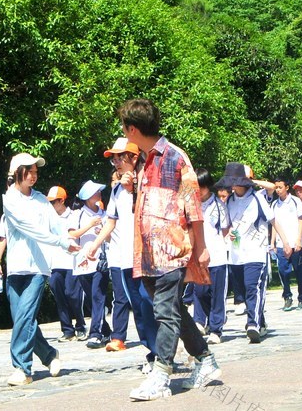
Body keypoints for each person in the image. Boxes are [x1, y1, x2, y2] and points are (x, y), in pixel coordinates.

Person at [120, 99, 220, 401]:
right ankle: (205, 359)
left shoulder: (176, 158)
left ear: (133, 128)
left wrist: (200, 248)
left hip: (173, 250)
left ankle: (161, 375)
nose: (123, 132)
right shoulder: (143, 160)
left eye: (124, 128)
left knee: (164, 311)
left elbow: (193, 206)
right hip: (147, 253)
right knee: (171, 311)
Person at [1, 152, 77, 385]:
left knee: (24, 317)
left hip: (38, 268)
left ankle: (22, 369)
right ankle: (48, 354)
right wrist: (62, 242)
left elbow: (56, 226)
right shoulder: (9, 200)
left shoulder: (42, 200)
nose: (34, 176)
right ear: (17, 173)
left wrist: (70, 244)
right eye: (29, 171)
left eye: (36, 172)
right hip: (16, 268)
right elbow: (29, 228)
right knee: (23, 321)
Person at [82, 139, 158, 366]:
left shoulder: (148, 182)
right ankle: (152, 353)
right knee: (139, 309)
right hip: (124, 259)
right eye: (113, 158)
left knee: (150, 304)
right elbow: (111, 222)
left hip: (146, 258)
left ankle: (164, 351)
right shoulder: (115, 191)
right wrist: (94, 245)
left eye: (119, 157)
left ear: (134, 158)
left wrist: (133, 186)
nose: (115, 162)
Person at [219, 162, 275, 342]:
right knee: (242, 292)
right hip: (236, 255)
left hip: (256, 253)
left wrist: (286, 243)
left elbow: (273, 221)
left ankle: (253, 324)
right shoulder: (229, 202)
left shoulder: (257, 198)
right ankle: (261, 322)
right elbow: (226, 226)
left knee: (253, 288)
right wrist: (227, 238)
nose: (232, 185)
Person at [68, 179, 111, 347]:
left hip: (100, 260)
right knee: (91, 300)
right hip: (82, 261)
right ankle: (106, 331)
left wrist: (103, 233)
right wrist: (90, 225)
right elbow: (72, 234)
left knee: (97, 296)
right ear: (87, 197)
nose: (99, 193)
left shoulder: (105, 214)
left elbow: (110, 236)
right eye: (95, 192)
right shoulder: (77, 214)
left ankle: (95, 334)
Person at [45, 187, 86, 341]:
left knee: (73, 294)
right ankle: (67, 329)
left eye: (53, 202)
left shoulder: (74, 215)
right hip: (55, 262)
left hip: (71, 261)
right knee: (59, 295)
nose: (50, 205)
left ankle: (81, 325)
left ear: (62, 200)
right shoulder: (48, 217)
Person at [193, 169, 229, 343]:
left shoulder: (219, 206)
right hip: (198, 256)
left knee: (216, 294)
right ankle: (200, 321)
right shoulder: (191, 204)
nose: (198, 190)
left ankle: (216, 329)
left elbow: (225, 229)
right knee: (199, 292)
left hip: (217, 255)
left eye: (201, 187)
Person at [271, 178, 302, 311]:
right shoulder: (274, 204)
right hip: (281, 244)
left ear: (286, 187)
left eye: (280, 187)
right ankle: (287, 296)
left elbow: (301, 221)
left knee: (299, 272)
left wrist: (298, 240)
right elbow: (274, 224)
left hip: (295, 242)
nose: (278, 190)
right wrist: (272, 242)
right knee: (283, 271)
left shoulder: (295, 201)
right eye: (276, 188)